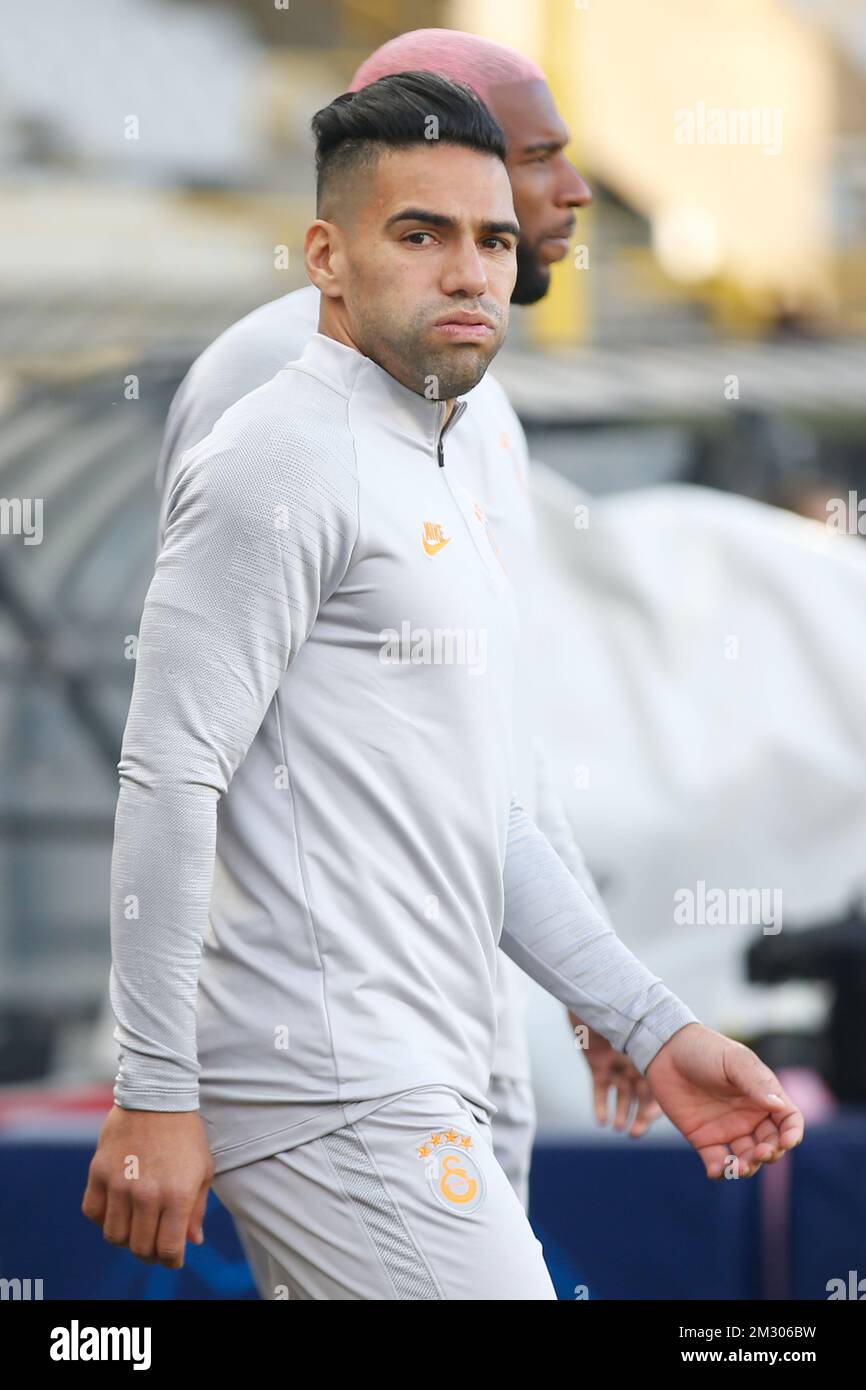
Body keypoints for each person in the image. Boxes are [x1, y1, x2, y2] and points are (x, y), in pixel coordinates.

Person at [82, 73, 804, 1301]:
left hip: (417, 1067)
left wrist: (651, 1025)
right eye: (420, 235)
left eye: (492, 240)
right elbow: (167, 770)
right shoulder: (276, 447)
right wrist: (153, 1091)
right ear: (326, 252)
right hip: (331, 1080)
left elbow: (487, 814)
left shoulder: (440, 461)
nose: (469, 271)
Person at [151, 30, 656, 1214]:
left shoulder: (472, 402)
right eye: (535, 159)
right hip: (317, 1040)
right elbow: (185, 747)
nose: (569, 193)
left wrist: (596, 984)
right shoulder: (277, 380)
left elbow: (496, 746)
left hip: (453, 1002)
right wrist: (159, 1079)